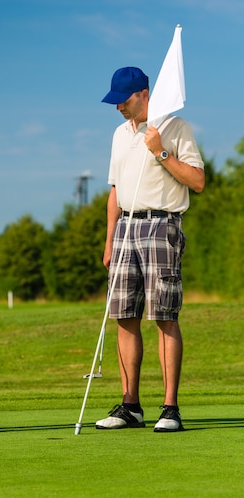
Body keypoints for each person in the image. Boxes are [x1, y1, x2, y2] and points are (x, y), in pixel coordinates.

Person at [96, 67, 205, 432]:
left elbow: (198, 181)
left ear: (143, 94)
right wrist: (110, 238)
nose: (118, 108)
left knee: (164, 316)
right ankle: (131, 406)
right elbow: (115, 191)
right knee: (124, 317)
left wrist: (160, 152)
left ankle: (170, 408)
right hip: (125, 227)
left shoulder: (175, 127)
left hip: (163, 225)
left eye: (123, 101)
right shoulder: (117, 134)